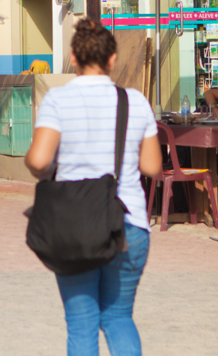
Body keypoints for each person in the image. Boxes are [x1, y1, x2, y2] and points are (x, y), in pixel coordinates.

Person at [25, 18, 162, 356]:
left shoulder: (57, 100)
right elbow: (152, 167)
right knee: (118, 317)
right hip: (129, 224)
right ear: (112, 59)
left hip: (74, 226)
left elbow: (39, 161)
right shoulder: (135, 101)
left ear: (73, 57)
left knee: (82, 324)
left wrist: (55, 169)